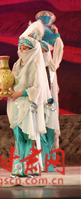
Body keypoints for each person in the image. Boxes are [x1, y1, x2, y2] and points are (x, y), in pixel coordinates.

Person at [0, 20, 49, 177]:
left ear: (32, 50)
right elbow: (11, 84)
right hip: (15, 105)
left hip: (28, 104)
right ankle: (18, 167)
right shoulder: (16, 64)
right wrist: (4, 92)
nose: (21, 50)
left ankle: (28, 167)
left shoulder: (34, 65)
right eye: (20, 47)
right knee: (18, 137)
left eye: (24, 48)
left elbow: (37, 87)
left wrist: (21, 94)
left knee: (29, 136)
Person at [34, 11, 64, 171]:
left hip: (50, 98)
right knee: (37, 126)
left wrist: (57, 36)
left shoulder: (52, 67)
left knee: (50, 124)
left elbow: (59, 50)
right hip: (37, 97)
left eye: (45, 51)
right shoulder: (34, 63)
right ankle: (37, 161)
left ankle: (49, 162)